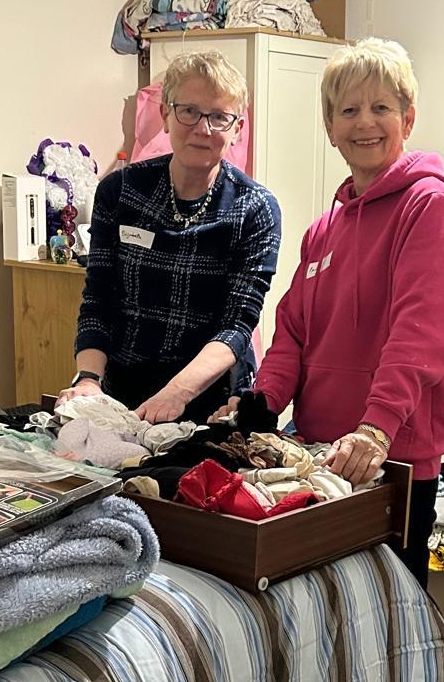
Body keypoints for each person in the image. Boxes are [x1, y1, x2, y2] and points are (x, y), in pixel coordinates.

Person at [214, 37, 444, 588]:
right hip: (315, 455)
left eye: (381, 107)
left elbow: (419, 335)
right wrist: (263, 401)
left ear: (408, 118)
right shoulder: (324, 230)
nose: (365, 123)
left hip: (391, 459)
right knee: (325, 611)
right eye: (349, 110)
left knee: (390, 614)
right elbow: (294, 332)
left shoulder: (428, 206)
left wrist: (376, 429)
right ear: (330, 127)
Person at [60, 51, 281, 423]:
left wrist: (175, 394)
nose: (203, 128)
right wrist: (88, 379)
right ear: (165, 114)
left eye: (219, 116)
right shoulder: (121, 191)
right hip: (121, 391)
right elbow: (99, 300)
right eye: (189, 111)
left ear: (237, 129)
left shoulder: (255, 209)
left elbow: (237, 325)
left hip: (212, 400)